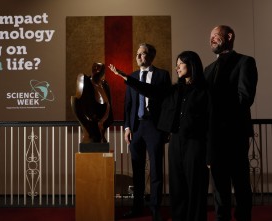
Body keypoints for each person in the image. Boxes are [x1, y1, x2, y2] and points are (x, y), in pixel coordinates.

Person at [110, 50, 210, 221]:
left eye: (181, 63)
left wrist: (210, 154)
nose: (177, 67)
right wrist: (126, 77)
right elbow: (151, 91)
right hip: (176, 142)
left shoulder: (205, 91)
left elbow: (210, 122)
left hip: (195, 143)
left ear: (191, 65)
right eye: (176, 64)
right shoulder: (176, 89)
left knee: (195, 186)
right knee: (177, 186)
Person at [111, 43, 171, 221]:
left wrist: (165, 129)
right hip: (136, 129)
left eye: (142, 54)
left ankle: (155, 209)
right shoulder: (133, 77)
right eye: (137, 54)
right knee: (137, 171)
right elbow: (128, 105)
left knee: (156, 171)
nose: (138, 57)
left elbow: (167, 103)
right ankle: (137, 208)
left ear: (151, 56)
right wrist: (127, 127)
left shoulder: (162, 75)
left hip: (154, 128)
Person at [204, 25, 258, 221]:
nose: (211, 39)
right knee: (219, 186)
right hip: (213, 137)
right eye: (209, 37)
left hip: (235, 134)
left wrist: (217, 108)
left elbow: (245, 97)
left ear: (229, 36)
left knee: (241, 183)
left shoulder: (245, 62)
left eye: (215, 36)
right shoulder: (208, 70)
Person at [71, 62, 113, 143]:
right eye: (95, 67)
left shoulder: (104, 85)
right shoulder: (85, 80)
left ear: (103, 71)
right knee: (93, 139)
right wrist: (87, 123)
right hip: (90, 127)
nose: (97, 69)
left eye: (100, 68)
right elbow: (76, 102)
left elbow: (109, 105)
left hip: (102, 125)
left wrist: (103, 121)